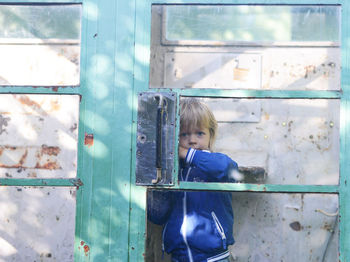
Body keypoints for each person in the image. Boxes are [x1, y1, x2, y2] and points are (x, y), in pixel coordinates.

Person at [148, 98, 238, 262]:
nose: (192, 140)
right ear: (174, 138)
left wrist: (186, 153)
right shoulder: (174, 171)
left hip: (212, 257)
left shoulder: (216, 164)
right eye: (184, 134)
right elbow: (158, 216)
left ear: (211, 135)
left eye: (199, 133)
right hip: (179, 256)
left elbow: (227, 168)